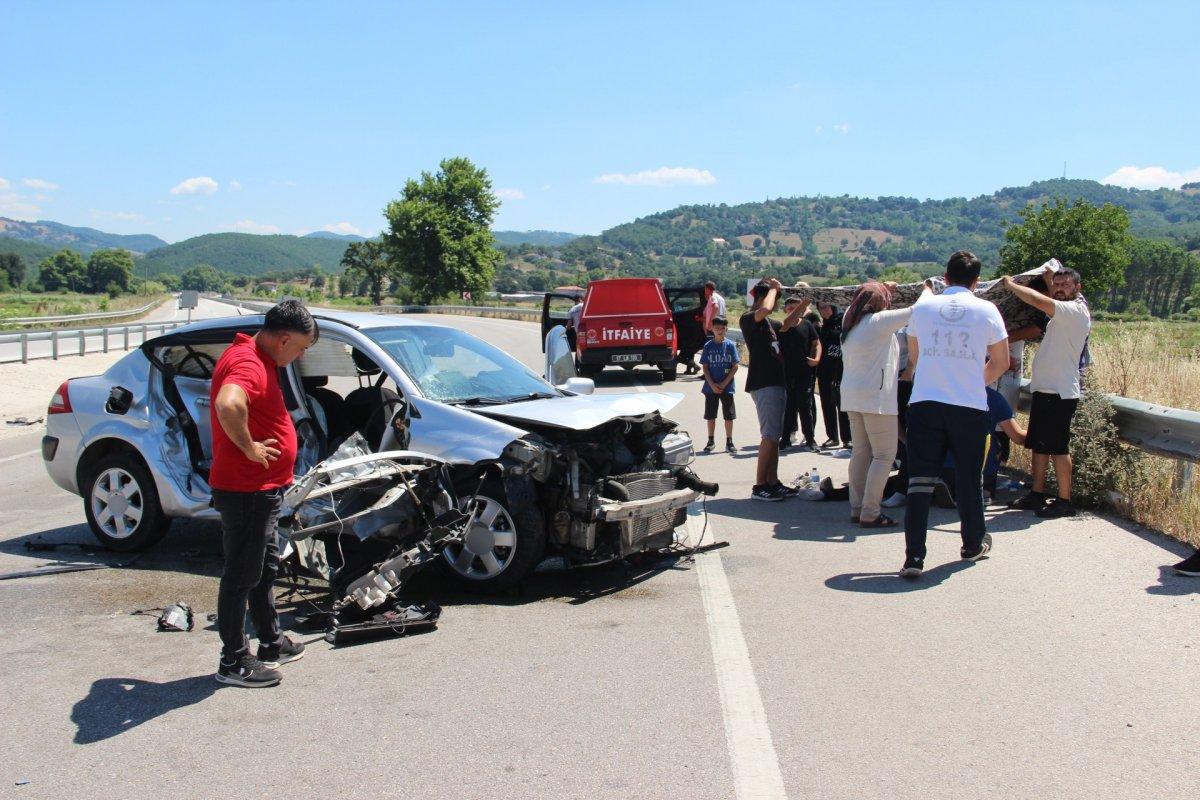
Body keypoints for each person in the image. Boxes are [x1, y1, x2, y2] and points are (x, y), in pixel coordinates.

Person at [210, 300, 318, 687]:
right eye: (302, 348)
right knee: (241, 575)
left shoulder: (258, 357)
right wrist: (250, 448)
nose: (302, 355)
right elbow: (228, 403)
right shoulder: (249, 363)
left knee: (264, 568)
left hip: (262, 490)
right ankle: (234, 661)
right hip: (246, 491)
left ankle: (271, 642)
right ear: (285, 338)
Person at [899, 252, 1009, 578]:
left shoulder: (923, 308)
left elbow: (915, 357)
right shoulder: (987, 310)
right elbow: (1001, 362)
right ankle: (972, 543)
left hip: (925, 402)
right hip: (969, 406)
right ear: (976, 282)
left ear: (944, 278)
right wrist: (973, 382)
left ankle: (914, 557)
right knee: (968, 479)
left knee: (919, 482)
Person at [1003, 264, 1092, 518]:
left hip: (1061, 393)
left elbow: (1039, 300)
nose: (1060, 289)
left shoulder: (1074, 311)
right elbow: (1050, 296)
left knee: (1058, 448)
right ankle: (1037, 493)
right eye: (1057, 284)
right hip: (1046, 390)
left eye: (1066, 285)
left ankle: (1065, 501)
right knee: (1040, 445)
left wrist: (1011, 286)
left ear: (1078, 288)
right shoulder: (1062, 311)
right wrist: (1047, 277)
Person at [840, 280, 927, 527]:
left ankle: (857, 508)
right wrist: (928, 288)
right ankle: (871, 511)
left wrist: (882, 287)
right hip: (876, 399)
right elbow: (917, 310)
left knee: (860, 453)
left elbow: (866, 295)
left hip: (852, 396)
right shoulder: (879, 322)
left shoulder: (851, 320)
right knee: (884, 455)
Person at [739, 278, 807, 501]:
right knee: (769, 436)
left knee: (774, 437)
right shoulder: (749, 319)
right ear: (761, 297)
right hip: (764, 383)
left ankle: (773, 482)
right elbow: (766, 308)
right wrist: (774, 289)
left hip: (776, 382)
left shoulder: (769, 324)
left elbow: (788, 324)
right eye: (775, 299)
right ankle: (760, 486)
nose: (776, 304)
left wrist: (805, 303)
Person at [778, 295, 820, 450]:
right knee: (790, 406)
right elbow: (789, 322)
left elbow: (816, 343)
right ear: (785, 309)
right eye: (791, 307)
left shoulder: (807, 324)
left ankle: (810, 439)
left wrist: (816, 358)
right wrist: (803, 305)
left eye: (797, 307)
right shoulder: (783, 325)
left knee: (805, 406)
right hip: (788, 372)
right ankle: (785, 439)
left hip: (805, 372)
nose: (795, 310)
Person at [699, 315, 739, 454]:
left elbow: (735, 366)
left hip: (727, 387)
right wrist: (712, 384)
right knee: (711, 415)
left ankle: (729, 441)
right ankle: (710, 440)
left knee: (729, 415)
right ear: (712, 329)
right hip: (710, 388)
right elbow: (705, 367)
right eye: (717, 328)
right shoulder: (708, 346)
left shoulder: (730, 346)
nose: (720, 331)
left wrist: (723, 383)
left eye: (722, 328)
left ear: (726, 329)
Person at [816, 301, 852, 449]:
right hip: (825, 371)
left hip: (842, 370)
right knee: (827, 404)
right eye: (821, 308)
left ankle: (847, 438)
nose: (824, 310)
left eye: (826, 306)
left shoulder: (844, 322)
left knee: (843, 405)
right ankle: (832, 436)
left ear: (833, 306)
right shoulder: (821, 326)